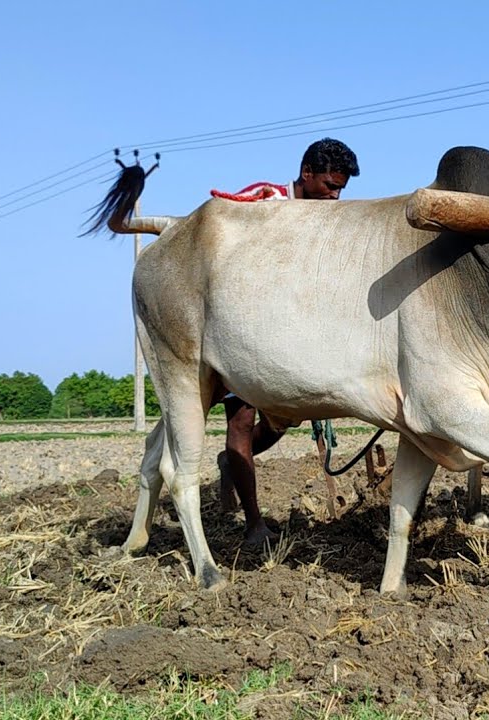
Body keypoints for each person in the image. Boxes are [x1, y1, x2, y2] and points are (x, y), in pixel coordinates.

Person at [213, 138, 359, 547]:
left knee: (284, 419)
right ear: (307, 174)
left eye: (341, 189)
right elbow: (219, 230)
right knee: (241, 421)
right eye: (330, 186)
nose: (336, 196)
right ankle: (254, 525)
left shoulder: (332, 218)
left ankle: (229, 462)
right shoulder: (266, 201)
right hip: (245, 329)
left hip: (292, 335)